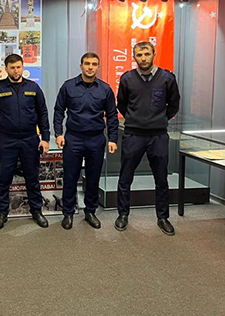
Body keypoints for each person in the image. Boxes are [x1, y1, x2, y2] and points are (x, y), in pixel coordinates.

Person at [115, 41, 180, 235]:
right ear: (134, 57)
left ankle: (163, 217)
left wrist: (159, 120)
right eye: (139, 55)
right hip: (133, 135)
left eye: (147, 54)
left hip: (158, 136)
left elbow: (174, 104)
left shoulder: (167, 78)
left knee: (161, 179)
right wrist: (135, 119)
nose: (143, 58)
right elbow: (121, 104)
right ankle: (123, 214)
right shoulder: (127, 79)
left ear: (154, 54)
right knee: (125, 178)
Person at [53, 52, 119, 230]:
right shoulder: (68, 86)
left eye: (94, 64)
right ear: (81, 66)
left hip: (96, 139)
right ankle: (68, 213)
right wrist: (58, 133)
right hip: (73, 138)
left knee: (93, 177)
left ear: (98, 67)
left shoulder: (105, 89)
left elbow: (112, 116)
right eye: (87, 63)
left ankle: (90, 211)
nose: (90, 67)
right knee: (70, 177)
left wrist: (113, 138)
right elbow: (58, 111)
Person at [0, 54, 50, 230]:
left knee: (32, 177)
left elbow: (43, 113)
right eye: (12, 67)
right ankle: (2, 213)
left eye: (18, 67)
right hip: (6, 140)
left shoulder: (33, 87)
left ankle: (36, 211)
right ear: (6, 69)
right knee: (3, 178)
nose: (16, 71)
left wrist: (45, 138)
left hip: (30, 139)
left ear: (23, 67)